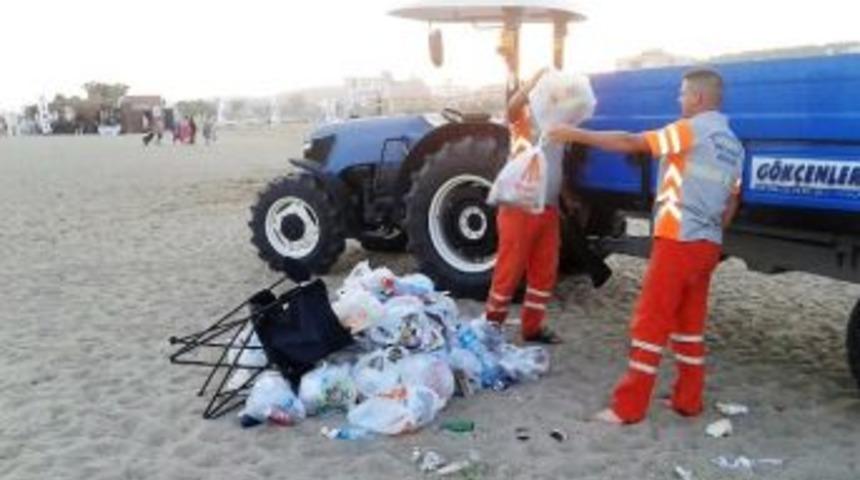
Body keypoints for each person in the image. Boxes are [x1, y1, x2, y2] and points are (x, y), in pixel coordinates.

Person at [548, 68, 745, 424]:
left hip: (677, 239)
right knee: (689, 324)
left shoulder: (690, 131)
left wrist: (573, 134)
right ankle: (688, 399)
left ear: (698, 98)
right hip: (707, 245)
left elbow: (631, 142)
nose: (679, 99)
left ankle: (628, 408)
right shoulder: (734, 144)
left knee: (650, 322)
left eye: (683, 94)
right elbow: (731, 203)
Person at [483, 68, 570, 344]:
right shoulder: (524, 120)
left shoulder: (560, 127)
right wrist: (532, 82)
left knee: (544, 273)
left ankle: (532, 329)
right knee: (509, 271)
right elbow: (511, 107)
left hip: (548, 210)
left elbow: (558, 167)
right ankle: (491, 327)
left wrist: (568, 197)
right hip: (519, 209)